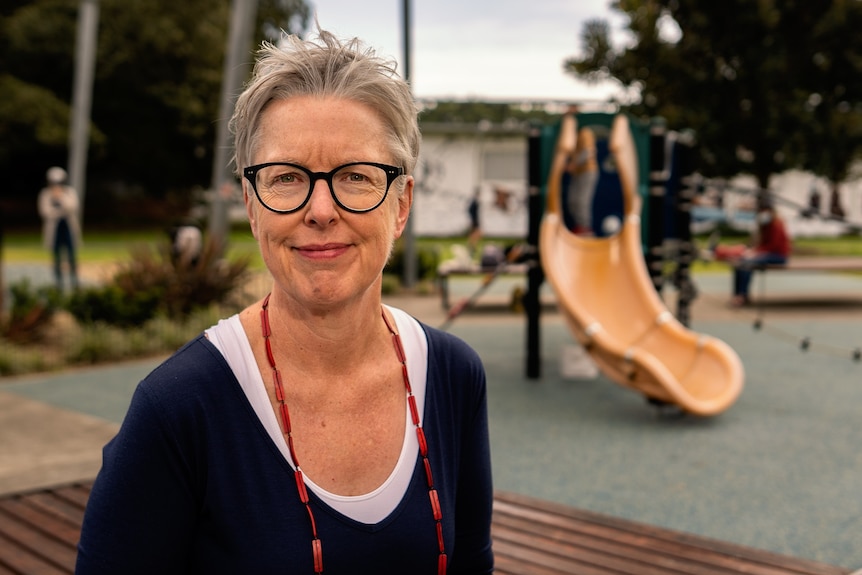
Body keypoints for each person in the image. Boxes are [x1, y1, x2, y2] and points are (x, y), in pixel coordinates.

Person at [75, 30, 494, 575]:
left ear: (402, 204)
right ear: (252, 206)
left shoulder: (452, 376)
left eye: (356, 176)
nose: (321, 209)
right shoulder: (179, 408)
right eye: (288, 177)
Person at [715, 204, 791, 307]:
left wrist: (756, 253)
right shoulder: (765, 226)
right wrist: (752, 251)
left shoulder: (777, 225)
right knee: (739, 263)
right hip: (767, 253)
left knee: (747, 264)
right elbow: (761, 244)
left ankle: (741, 297)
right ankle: (739, 294)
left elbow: (773, 246)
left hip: (778, 256)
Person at [37, 166, 80, 290]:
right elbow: (45, 211)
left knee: (71, 255)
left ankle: (74, 281)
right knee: (56, 256)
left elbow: (72, 207)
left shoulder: (69, 192)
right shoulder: (45, 194)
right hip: (54, 230)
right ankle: (58, 283)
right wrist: (59, 211)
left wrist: (60, 198)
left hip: (67, 227)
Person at [565, 111, 599, 234]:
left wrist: (573, 164)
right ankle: (580, 226)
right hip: (577, 172)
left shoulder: (585, 132)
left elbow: (588, 151)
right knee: (572, 201)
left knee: (582, 201)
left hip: (587, 171)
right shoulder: (573, 134)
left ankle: (586, 229)